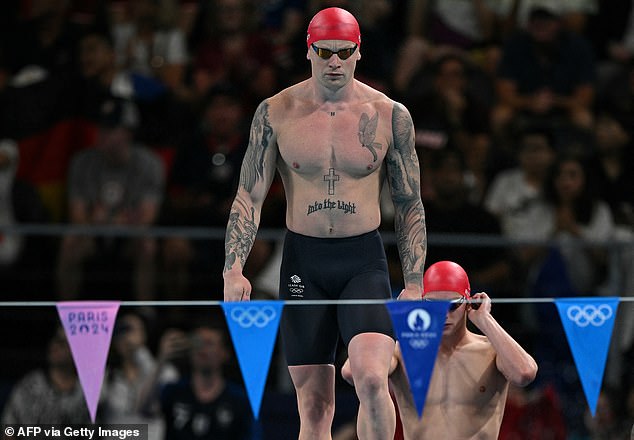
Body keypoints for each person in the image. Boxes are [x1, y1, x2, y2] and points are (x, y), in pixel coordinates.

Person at [222, 7, 427, 439]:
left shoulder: (390, 115)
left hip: (363, 263)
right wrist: (233, 269)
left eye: (343, 52)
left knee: (372, 378)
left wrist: (413, 282)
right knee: (314, 406)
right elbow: (249, 195)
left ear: (358, 53)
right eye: (325, 52)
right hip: (303, 262)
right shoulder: (276, 111)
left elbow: (409, 202)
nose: (334, 62)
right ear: (309, 51)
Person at [342, 260, 538, 439]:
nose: (444, 314)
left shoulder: (490, 351)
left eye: (453, 305)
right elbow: (353, 372)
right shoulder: (403, 352)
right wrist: (397, 318)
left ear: (468, 302)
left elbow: (525, 374)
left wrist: (486, 320)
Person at [55, 97, 165, 300]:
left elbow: (147, 218)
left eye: (111, 128)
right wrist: (99, 222)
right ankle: (67, 314)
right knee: (70, 242)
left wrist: (113, 221)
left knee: (148, 245)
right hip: (93, 234)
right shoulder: (82, 162)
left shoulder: (150, 164)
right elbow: (77, 215)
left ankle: (145, 311)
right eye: (101, 127)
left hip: (129, 237)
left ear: (129, 132)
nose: (102, 135)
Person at [159, 322, 260, 440]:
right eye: (197, 342)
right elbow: (140, 413)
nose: (202, 349)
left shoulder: (240, 400)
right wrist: (161, 359)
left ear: (224, 353)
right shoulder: (172, 391)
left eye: (209, 344)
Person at [1, 325, 92, 424]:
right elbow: (9, 429)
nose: (55, 345)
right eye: (55, 339)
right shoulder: (30, 386)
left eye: (63, 343)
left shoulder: (87, 393)